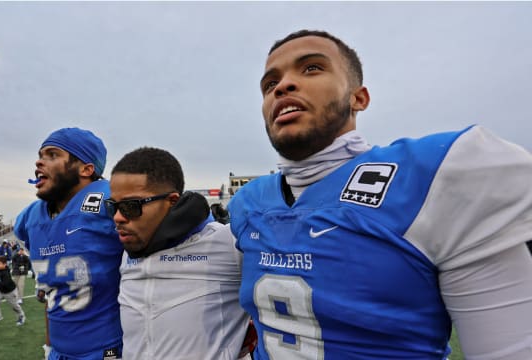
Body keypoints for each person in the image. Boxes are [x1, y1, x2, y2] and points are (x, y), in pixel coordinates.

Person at [226, 29, 532, 360]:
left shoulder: (431, 177)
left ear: (359, 98)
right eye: (270, 85)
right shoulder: (248, 203)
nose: (282, 86)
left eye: (312, 68)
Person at [108, 146, 250, 359]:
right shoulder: (129, 251)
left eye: (130, 206)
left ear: (172, 202)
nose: (118, 217)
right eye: (113, 207)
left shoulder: (227, 243)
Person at [14, 127, 124, 360]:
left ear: (86, 168)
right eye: (41, 154)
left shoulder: (110, 200)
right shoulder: (30, 218)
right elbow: (52, 292)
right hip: (58, 350)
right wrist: (49, 347)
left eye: (52, 155)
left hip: (107, 349)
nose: (39, 162)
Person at [0, 255, 26, 326]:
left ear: (4, 264)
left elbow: (5, 284)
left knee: (14, 306)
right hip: (0, 290)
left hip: (9, 291)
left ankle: (21, 316)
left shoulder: (5, 273)